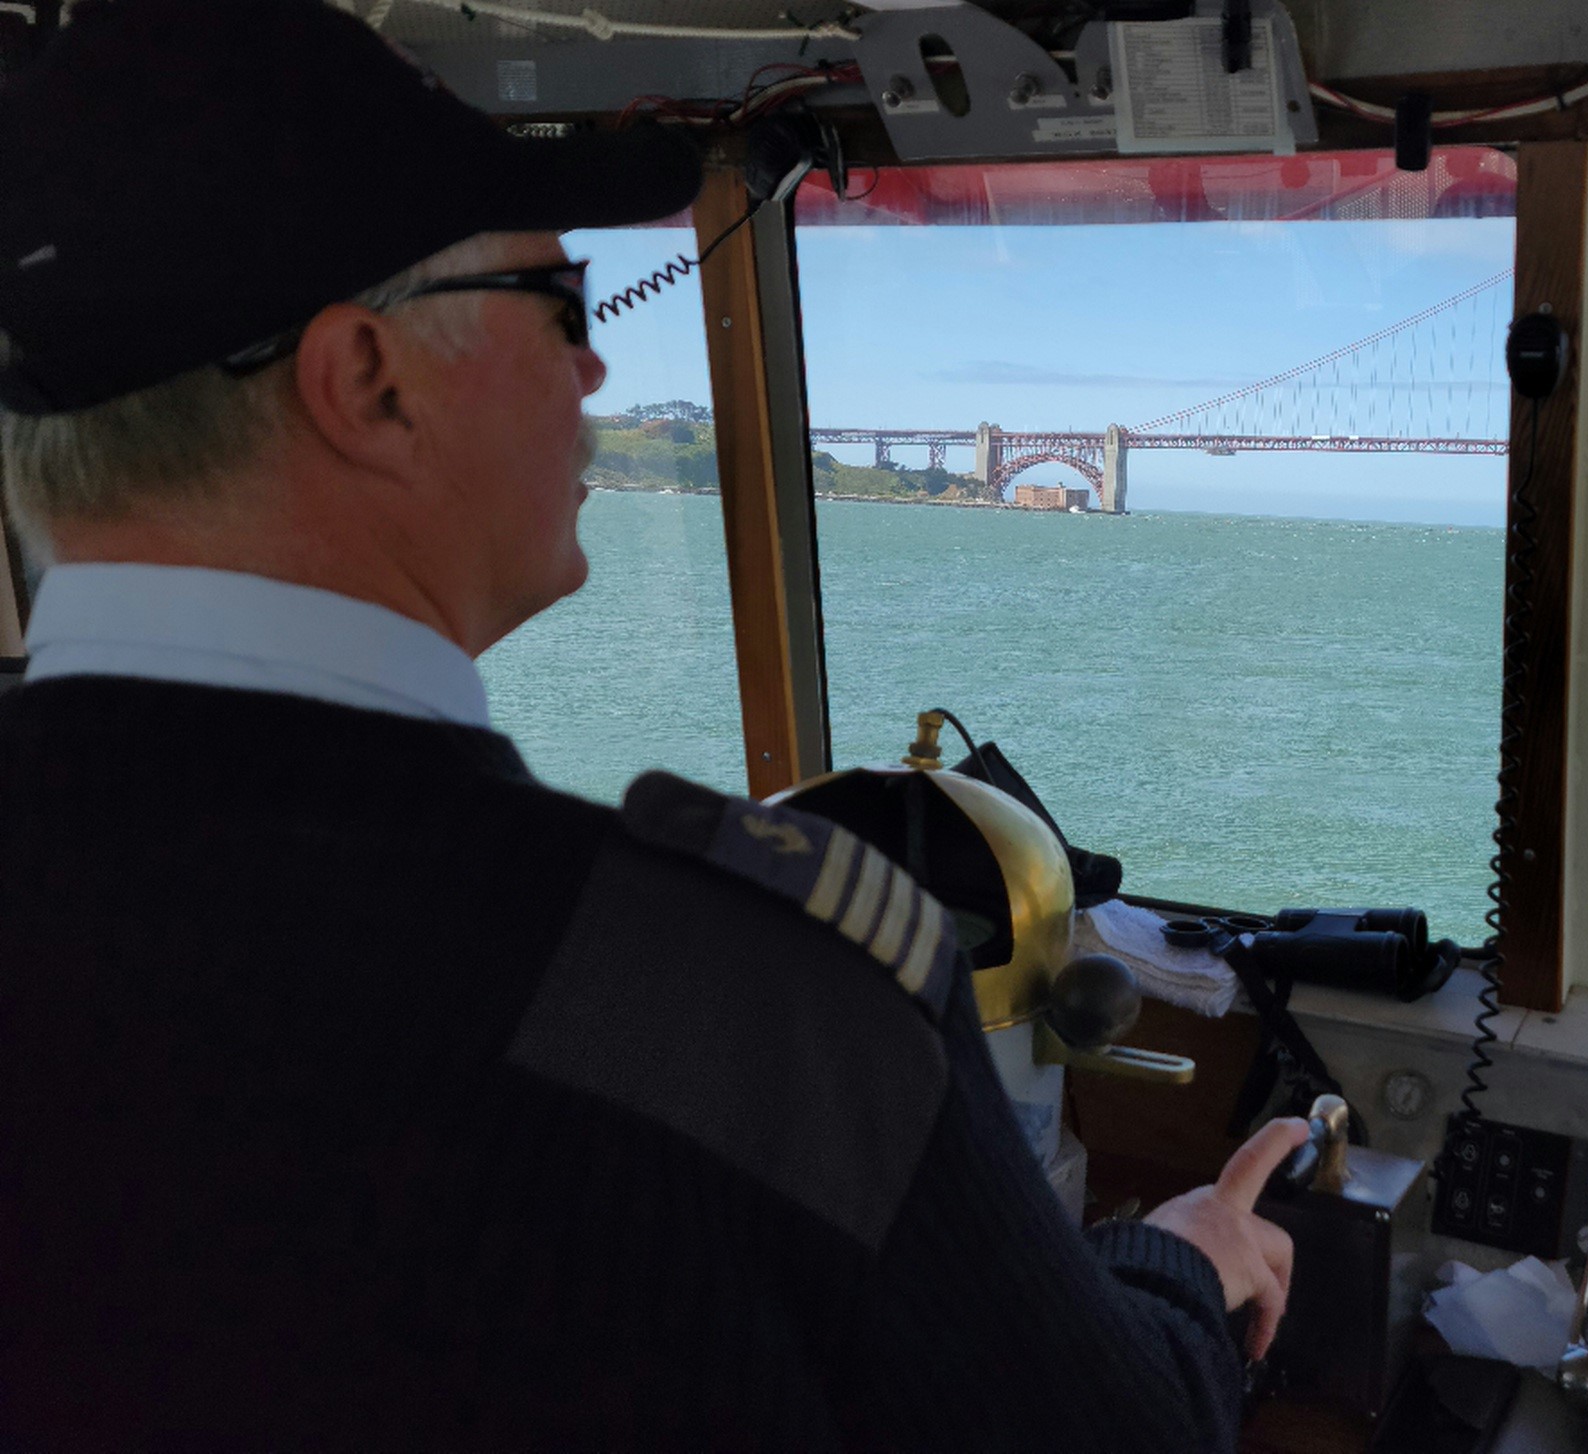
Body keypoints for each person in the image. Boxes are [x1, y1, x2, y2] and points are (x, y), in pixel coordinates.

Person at [0, 0, 1306, 1447]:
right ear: (368, 381)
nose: (597, 372)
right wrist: (1178, 1266)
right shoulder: (712, 984)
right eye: (563, 307)